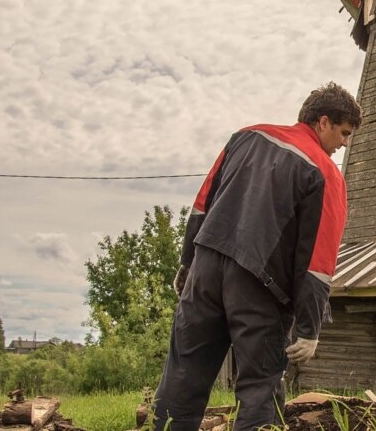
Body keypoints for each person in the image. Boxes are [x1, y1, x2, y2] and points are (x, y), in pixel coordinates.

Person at [153, 82, 362, 431]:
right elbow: (318, 261)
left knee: (183, 375)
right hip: (259, 286)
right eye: (343, 133)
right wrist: (309, 328)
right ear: (323, 122)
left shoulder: (245, 137)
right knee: (259, 388)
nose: (344, 143)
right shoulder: (325, 174)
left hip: (205, 271)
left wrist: (187, 262)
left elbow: (203, 202)